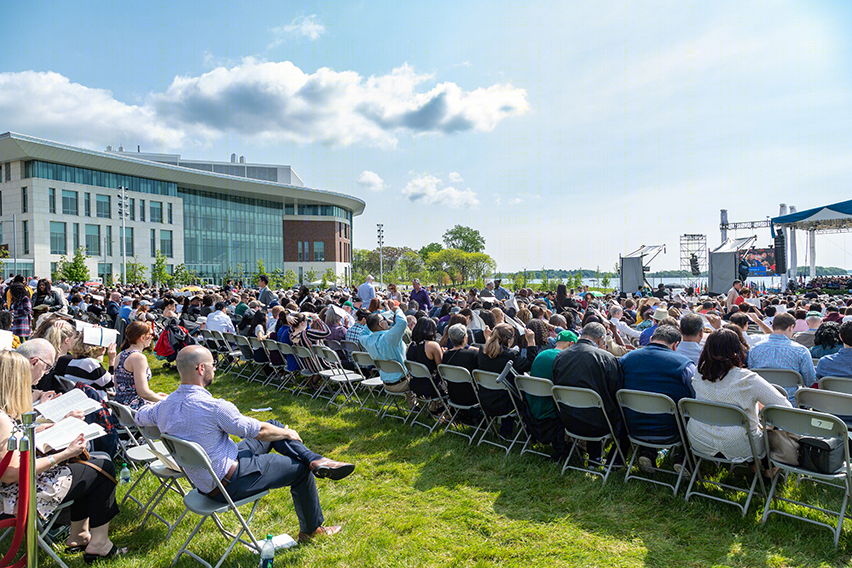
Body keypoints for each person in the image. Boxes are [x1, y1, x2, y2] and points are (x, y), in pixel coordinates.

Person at [135, 345, 351, 543]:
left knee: (273, 423)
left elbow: (139, 417)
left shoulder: (163, 407)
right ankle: (311, 529)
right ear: (201, 368)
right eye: (213, 364)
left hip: (207, 478)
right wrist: (288, 432)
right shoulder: (215, 407)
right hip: (227, 483)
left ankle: (316, 459)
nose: (215, 369)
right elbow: (257, 431)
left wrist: (161, 403)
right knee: (299, 469)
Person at [0, 350, 124, 561]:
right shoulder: (1, 420)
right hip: (15, 495)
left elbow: (15, 438)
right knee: (102, 468)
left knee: (89, 464)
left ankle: (80, 536)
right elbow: (11, 473)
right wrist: (63, 454)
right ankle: (97, 543)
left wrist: (57, 425)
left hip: (12, 490)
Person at [688, 328, 791, 463]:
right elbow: (784, 407)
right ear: (737, 349)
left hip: (700, 439)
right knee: (768, 426)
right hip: (742, 446)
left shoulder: (698, 372)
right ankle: (767, 469)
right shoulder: (747, 379)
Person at [619, 325, 695, 469]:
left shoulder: (626, 359)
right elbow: (695, 396)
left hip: (632, 426)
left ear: (651, 339)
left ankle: (647, 452)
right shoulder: (685, 365)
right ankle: (683, 458)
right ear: (675, 345)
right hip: (672, 430)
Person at [551, 322, 625, 464]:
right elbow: (616, 391)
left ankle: (593, 457)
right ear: (601, 339)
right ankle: (605, 460)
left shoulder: (561, 356)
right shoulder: (606, 358)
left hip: (567, 418)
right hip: (598, 423)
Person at [747, 312, 816, 397]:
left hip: (761, 402)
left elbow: (752, 373)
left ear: (772, 327)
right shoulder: (801, 351)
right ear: (791, 327)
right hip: (791, 403)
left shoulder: (755, 348)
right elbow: (809, 381)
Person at [359, 307, 413, 403]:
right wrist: (397, 309)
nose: (386, 320)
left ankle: (413, 405)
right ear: (380, 324)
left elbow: (363, 333)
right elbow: (403, 323)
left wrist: (371, 320)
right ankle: (433, 409)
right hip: (403, 382)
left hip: (386, 383)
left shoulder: (367, 340)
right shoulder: (390, 337)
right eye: (384, 319)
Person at [115, 322, 167, 409]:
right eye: (152, 334)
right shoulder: (138, 358)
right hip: (135, 410)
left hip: (121, 409)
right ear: (142, 337)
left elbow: (118, 386)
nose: (153, 337)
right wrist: (166, 401)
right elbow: (143, 393)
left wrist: (154, 395)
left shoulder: (120, 355)